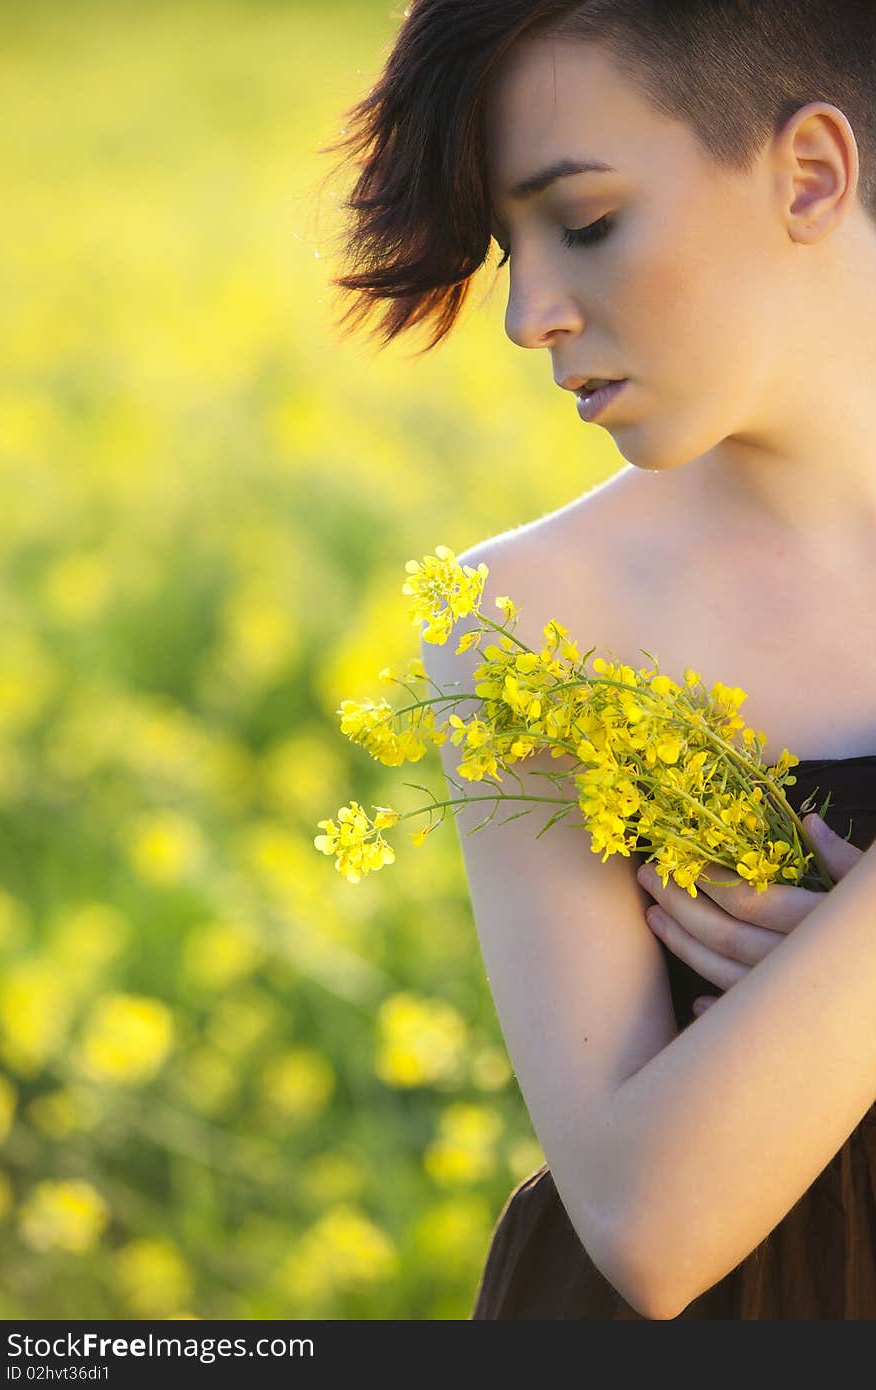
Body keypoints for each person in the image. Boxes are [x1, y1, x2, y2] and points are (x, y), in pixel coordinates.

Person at [319, 0, 876, 1318]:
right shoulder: (529, 619)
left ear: (809, 172)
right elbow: (651, 1221)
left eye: (585, 221)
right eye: (510, 248)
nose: (528, 315)